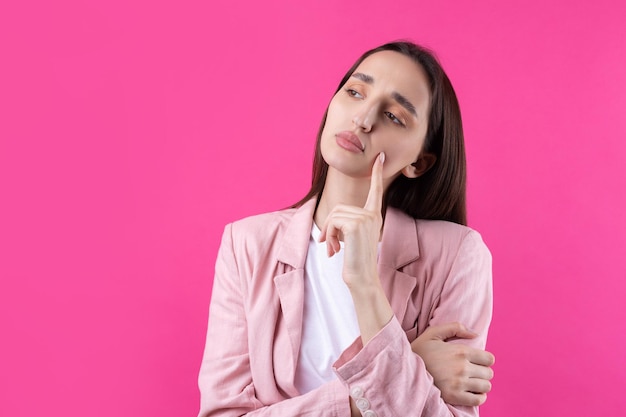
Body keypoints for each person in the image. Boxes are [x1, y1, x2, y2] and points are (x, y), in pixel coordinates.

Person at [198, 41, 495, 417]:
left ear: (419, 162)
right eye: (355, 92)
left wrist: (364, 283)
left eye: (395, 116)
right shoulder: (247, 244)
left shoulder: (457, 255)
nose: (363, 118)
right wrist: (394, 375)